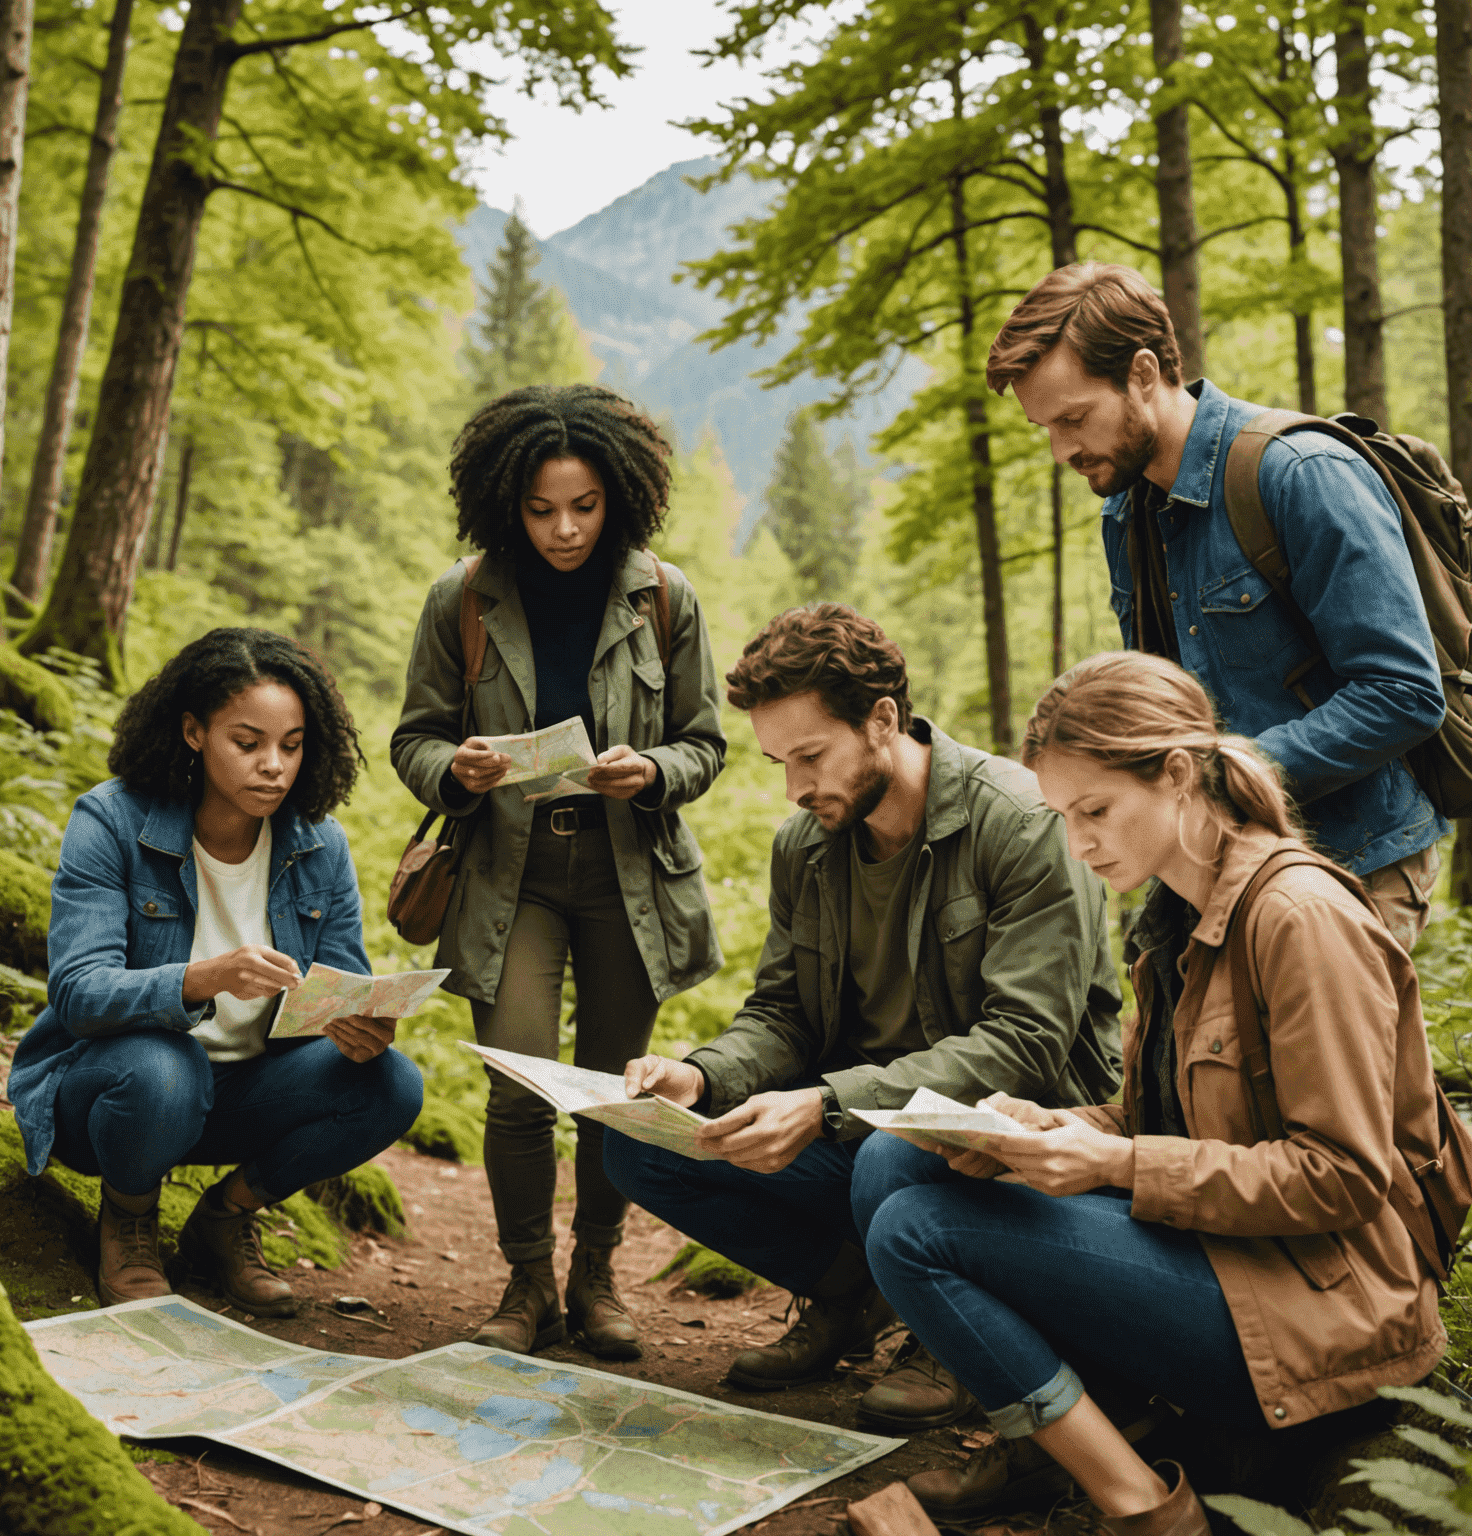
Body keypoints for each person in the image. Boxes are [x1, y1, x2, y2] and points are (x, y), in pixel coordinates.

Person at [849, 650, 1448, 1536]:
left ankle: (1141, 1501)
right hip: (1222, 1255)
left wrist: (1116, 1164)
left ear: (1176, 775)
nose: (1079, 841)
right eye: (1062, 816)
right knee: (892, 1160)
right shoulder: (1172, 919)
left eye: (1096, 811)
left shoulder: (1300, 919)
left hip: (1323, 1305)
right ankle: (1069, 1443)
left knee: (917, 1231)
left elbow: (1343, 1177)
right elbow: (1170, 1116)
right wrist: (1048, 1128)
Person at [605, 604, 1124, 1434]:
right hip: (858, 1132)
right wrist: (701, 1074)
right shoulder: (805, 846)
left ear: (883, 720)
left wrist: (825, 1105)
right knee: (638, 1141)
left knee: (894, 1146)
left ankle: (945, 1330)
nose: (795, 788)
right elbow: (783, 1015)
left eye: (811, 756)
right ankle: (852, 1298)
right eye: (780, 762)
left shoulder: (1025, 822)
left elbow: (1024, 1045)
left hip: (1007, 1144)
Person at [391, 383, 726, 1362]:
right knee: (522, 1083)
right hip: (510, 878)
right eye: (542, 510)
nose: (564, 528)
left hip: (629, 874)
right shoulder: (464, 598)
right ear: (508, 502)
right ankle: (528, 1280)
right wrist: (454, 769)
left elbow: (706, 742)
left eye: (583, 507)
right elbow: (414, 737)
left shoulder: (665, 596)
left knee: (615, 1092)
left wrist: (654, 771)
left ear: (619, 498)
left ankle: (598, 1275)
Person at [986, 263, 1447, 951]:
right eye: (1044, 427)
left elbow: (1404, 692)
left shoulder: (1303, 475)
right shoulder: (1125, 515)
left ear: (1144, 374)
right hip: (1209, 879)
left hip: (1350, 870)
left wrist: (1218, 777)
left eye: (1075, 418)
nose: (1060, 450)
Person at [8, 629, 424, 1316]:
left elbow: (343, 983)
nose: (274, 767)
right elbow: (79, 994)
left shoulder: (319, 843)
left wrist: (358, 1025)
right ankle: (131, 1219)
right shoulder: (111, 820)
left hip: (244, 1094)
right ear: (194, 731)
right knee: (167, 1069)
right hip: (115, 1094)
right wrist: (203, 977)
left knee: (392, 1084)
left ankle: (225, 1218)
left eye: (291, 746)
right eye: (248, 742)